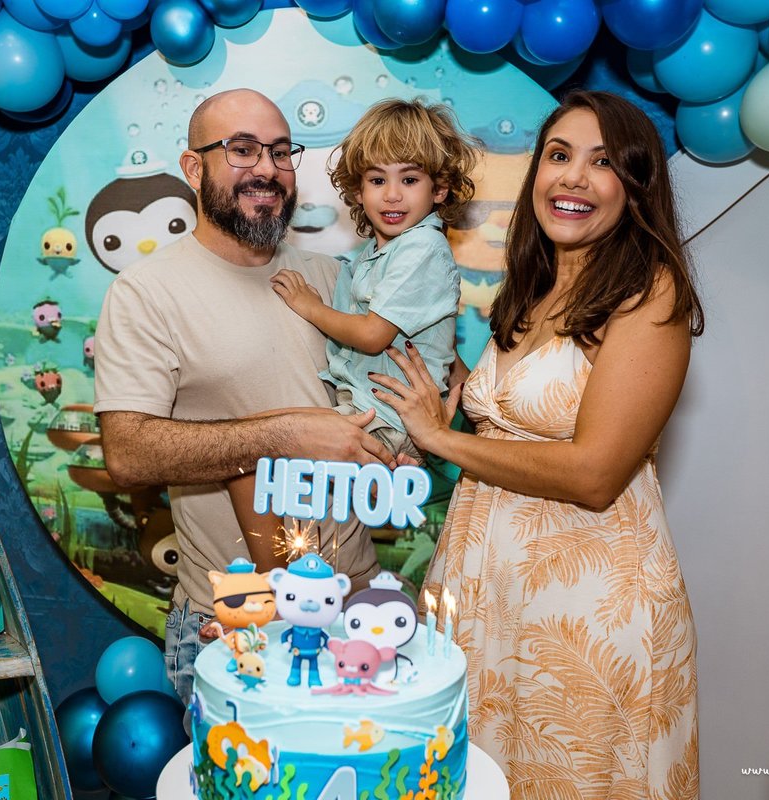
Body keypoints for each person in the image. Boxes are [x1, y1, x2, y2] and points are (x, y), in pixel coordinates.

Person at [372, 90, 703, 798]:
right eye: (558, 156)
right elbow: (506, 414)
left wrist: (440, 439)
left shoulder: (650, 296)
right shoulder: (535, 285)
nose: (572, 178)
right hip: (485, 588)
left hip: (581, 609)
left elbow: (594, 472)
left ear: (636, 185)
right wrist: (429, 377)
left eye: (603, 162)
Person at [93, 88, 387, 705]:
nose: (268, 168)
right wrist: (285, 435)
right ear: (194, 167)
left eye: (281, 152)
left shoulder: (332, 279)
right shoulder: (147, 294)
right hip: (233, 625)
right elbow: (127, 454)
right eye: (243, 149)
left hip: (355, 609)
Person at [227, 98, 480, 568]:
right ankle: (284, 574)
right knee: (257, 439)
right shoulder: (371, 254)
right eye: (377, 180)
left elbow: (370, 335)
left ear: (440, 189)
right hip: (366, 405)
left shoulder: (422, 247)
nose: (392, 195)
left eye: (410, 179)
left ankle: (275, 581)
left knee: (262, 459)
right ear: (358, 189)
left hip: (387, 414)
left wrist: (309, 306)